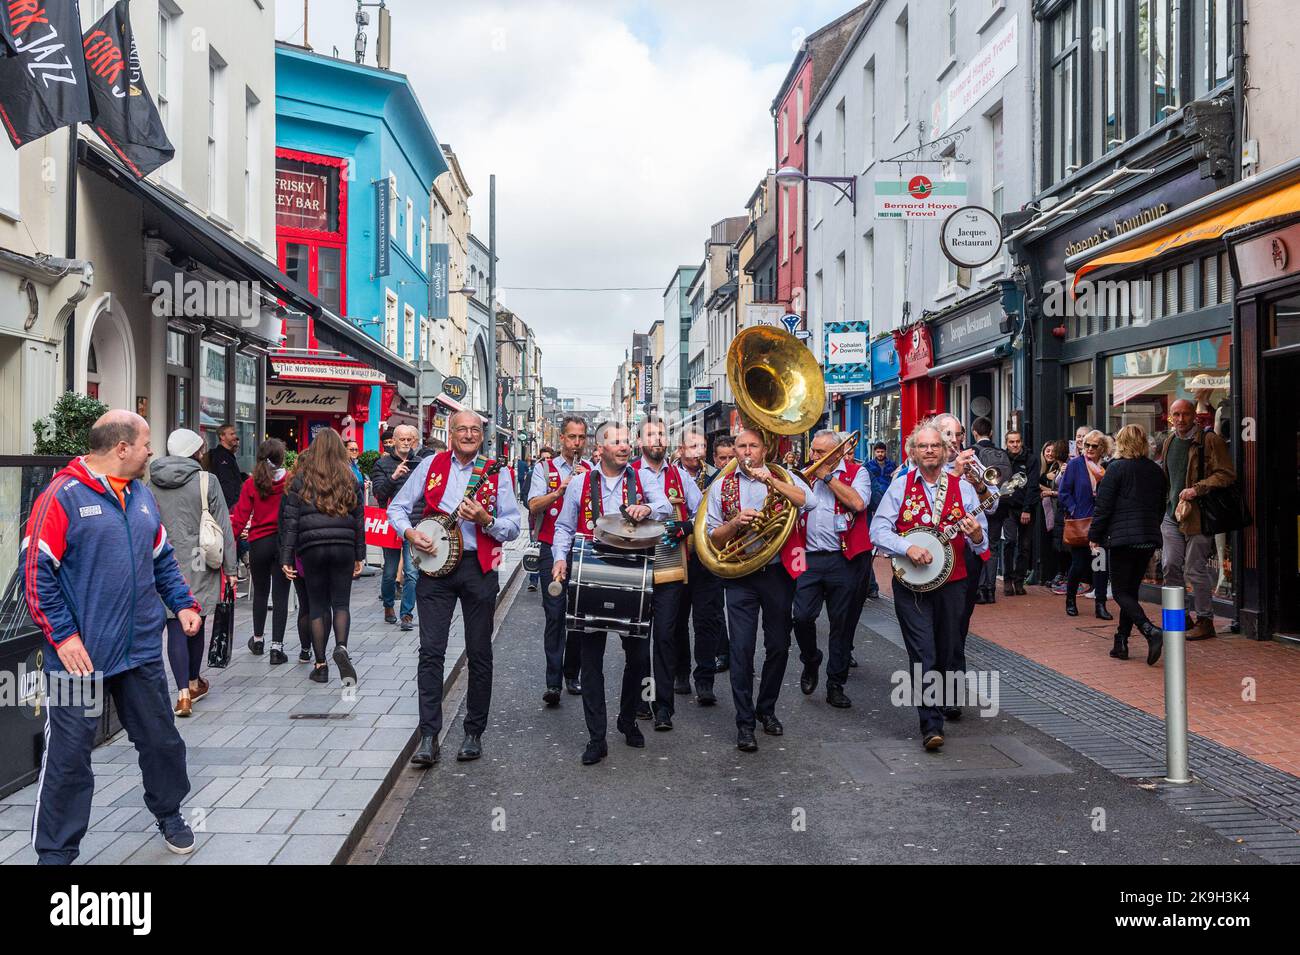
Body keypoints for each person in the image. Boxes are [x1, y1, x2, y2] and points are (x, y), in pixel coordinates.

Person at [23, 410, 202, 862]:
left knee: (161, 741)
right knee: (68, 758)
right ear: (121, 448)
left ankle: (169, 813)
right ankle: (55, 854)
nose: (149, 452)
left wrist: (182, 603)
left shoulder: (141, 495)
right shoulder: (60, 497)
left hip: (139, 651)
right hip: (77, 659)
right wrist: (63, 637)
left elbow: (161, 558)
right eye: (144, 443)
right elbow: (34, 573)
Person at [390, 410, 521, 766]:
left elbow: (513, 527)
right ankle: (429, 737)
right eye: (461, 429)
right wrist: (410, 533)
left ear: (482, 435)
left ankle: (473, 733)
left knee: (479, 652)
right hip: (435, 570)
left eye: (474, 429)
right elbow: (397, 508)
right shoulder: (431, 465)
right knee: (431, 652)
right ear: (450, 432)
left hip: (480, 567)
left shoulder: (498, 472)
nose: (467, 434)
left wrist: (486, 520)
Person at [551, 422, 672, 765]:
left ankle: (627, 718)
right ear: (600, 447)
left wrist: (647, 508)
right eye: (615, 441)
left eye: (626, 441)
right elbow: (563, 526)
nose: (624, 446)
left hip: (633, 572)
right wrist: (560, 559)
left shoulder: (642, 477)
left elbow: (664, 505)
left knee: (637, 657)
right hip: (591, 572)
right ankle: (596, 736)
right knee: (592, 661)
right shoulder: (580, 482)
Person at [870, 421, 988, 751]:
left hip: (954, 582)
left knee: (949, 648)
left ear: (946, 450)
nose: (930, 451)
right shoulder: (901, 486)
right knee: (923, 652)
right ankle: (930, 724)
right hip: (912, 583)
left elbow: (982, 540)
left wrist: (977, 534)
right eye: (923, 446)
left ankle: (945, 701)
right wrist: (907, 547)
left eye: (936, 445)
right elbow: (878, 530)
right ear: (913, 452)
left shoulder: (963, 488)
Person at [704, 428, 811, 753]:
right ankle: (745, 723)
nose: (747, 452)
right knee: (741, 649)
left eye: (753, 445)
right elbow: (712, 537)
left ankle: (767, 709)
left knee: (778, 645)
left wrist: (772, 482)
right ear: (733, 450)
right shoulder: (722, 484)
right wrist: (735, 523)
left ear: (765, 449)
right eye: (741, 446)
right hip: (740, 575)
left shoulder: (785, 476)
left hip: (778, 572)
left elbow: (810, 502)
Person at [150, 428, 238, 717]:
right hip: (199, 558)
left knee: (175, 622)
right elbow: (223, 526)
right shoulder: (206, 480)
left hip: (163, 559)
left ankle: (183, 694)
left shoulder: (151, 481)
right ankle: (193, 680)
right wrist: (231, 568)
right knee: (195, 618)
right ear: (195, 452)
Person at [792, 430, 871, 709]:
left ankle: (835, 684)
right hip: (808, 557)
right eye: (812, 451)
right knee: (801, 617)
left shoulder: (856, 472)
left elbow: (858, 503)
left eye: (819, 452)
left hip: (844, 559)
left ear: (835, 454)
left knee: (842, 624)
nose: (813, 456)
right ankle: (810, 658)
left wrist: (827, 476)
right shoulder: (801, 475)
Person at [279, 429, 366, 685]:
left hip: (311, 547)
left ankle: (320, 664)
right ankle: (341, 647)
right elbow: (359, 519)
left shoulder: (301, 479)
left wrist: (286, 556)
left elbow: (290, 521)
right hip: (343, 547)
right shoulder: (350, 478)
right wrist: (360, 554)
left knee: (317, 605)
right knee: (341, 603)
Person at [633, 418, 705, 722]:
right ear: (640, 442)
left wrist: (685, 526)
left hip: (670, 569)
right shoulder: (629, 474)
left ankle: (664, 707)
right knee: (638, 641)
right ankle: (642, 700)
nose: (658, 439)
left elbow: (704, 512)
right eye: (651, 435)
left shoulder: (679, 475)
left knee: (664, 637)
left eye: (662, 434)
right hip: (635, 568)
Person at [1090, 424, 1167, 665]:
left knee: (1121, 592)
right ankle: (1120, 641)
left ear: (1120, 443)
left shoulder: (1115, 469)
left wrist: (1094, 535)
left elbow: (1103, 507)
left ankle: (1149, 630)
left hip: (1123, 540)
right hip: (1147, 538)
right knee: (1130, 591)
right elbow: (1162, 505)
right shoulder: (1156, 471)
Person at [1159, 397, 1235, 640]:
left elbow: (1227, 474)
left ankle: (1205, 620)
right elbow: (1167, 479)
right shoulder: (1169, 441)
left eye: (1185, 414)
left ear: (1195, 416)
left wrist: (1198, 488)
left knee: (1194, 569)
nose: (1181, 420)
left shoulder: (1210, 440)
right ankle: (1178, 618)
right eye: (1176, 415)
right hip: (1172, 514)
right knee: (1170, 565)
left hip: (1199, 516)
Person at [528, 419, 590, 705]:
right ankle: (552, 682)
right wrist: (560, 490)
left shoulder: (590, 470)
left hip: (582, 549)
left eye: (581, 438)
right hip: (550, 547)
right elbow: (533, 505)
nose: (576, 443)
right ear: (561, 438)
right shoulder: (544, 468)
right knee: (554, 614)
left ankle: (571, 673)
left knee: (578, 615)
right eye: (571, 438)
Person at [932, 413, 989, 677]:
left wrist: (978, 483)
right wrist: (954, 473)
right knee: (936, 623)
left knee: (959, 622)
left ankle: (952, 685)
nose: (955, 441)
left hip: (968, 550)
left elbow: (994, 501)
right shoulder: (926, 466)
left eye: (959, 434)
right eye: (948, 435)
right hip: (935, 552)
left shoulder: (972, 461)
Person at [672, 427, 726, 695]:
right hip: (676, 556)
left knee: (707, 620)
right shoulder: (668, 476)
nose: (698, 452)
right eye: (692, 447)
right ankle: (681, 672)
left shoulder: (717, 477)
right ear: (680, 449)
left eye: (702, 446)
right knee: (677, 620)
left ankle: (705, 679)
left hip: (708, 558)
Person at [231, 439, 292, 664]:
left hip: (258, 542)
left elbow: (240, 518)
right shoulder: (290, 481)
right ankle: (277, 647)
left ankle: (257, 640)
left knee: (260, 592)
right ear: (282, 458)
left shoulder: (252, 483)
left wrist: (230, 544)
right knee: (281, 595)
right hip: (283, 543)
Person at [370, 424, 420, 630]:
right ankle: (388, 605)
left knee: (411, 572)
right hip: (391, 525)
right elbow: (380, 494)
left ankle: (406, 614)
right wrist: (394, 477)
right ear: (394, 441)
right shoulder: (382, 464)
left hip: (413, 524)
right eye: (403, 439)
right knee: (390, 571)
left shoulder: (421, 463)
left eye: (410, 439)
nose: (406, 443)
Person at [1059, 429, 1113, 620]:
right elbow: (1064, 492)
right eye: (1087, 445)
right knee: (1079, 564)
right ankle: (1071, 600)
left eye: (1094, 446)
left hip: (1100, 524)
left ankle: (1100, 605)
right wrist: (1074, 510)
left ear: (1102, 448)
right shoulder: (1075, 465)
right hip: (1080, 523)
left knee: (1100, 565)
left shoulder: (1107, 467)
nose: (1089, 448)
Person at [970, 417, 1011, 605]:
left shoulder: (972, 453)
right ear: (992, 433)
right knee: (993, 547)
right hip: (1000, 505)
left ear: (974, 432)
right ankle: (991, 589)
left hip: (980, 506)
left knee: (979, 547)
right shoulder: (1001, 452)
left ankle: (979, 589)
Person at [707, 434, 736, 671]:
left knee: (741, 608)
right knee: (716, 608)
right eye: (723, 458)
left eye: (731, 457)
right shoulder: (710, 483)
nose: (727, 463)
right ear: (715, 460)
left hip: (742, 552)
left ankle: (740, 653)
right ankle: (722, 652)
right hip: (716, 551)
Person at [1001, 430, 1036, 596]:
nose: (1015, 445)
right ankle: (1007, 579)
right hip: (1008, 508)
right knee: (1009, 542)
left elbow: (1033, 486)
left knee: (1025, 547)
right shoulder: (1003, 459)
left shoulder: (1031, 459)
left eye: (1017, 441)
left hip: (1026, 509)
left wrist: (1027, 509)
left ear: (1021, 442)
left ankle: (1019, 580)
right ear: (1006, 443)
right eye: (1011, 442)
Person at [864, 442, 897, 600]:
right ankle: (869, 586)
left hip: (887, 502)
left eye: (882, 451)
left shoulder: (892, 465)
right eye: (877, 451)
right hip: (874, 506)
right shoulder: (868, 466)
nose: (880, 454)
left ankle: (870, 586)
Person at [1041, 439, 1071, 591]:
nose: (1051, 453)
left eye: (1055, 450)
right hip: (1056, 511)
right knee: (1058, 545)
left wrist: (1050, 492)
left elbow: (1066, 491)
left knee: (1065, 546)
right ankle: (1061, 574)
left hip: (1064, 511)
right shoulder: (1056, 468)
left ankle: (1065, 576)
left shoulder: (1065, 468)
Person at [207, 423, 244, 510]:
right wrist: (233, 505)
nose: (235, 436)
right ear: (222, 437)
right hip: (227, 506)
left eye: (235, 433)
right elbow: (226, 483)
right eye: (231, 434)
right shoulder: (221, 456)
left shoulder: (228, 456)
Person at [345, 436, 367, 504]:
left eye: (356, 450)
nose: (354, 452)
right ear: (344, 450)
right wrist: (362, 485)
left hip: (359, 503)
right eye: (351, 449)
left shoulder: (357, 466)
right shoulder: (343, 466)